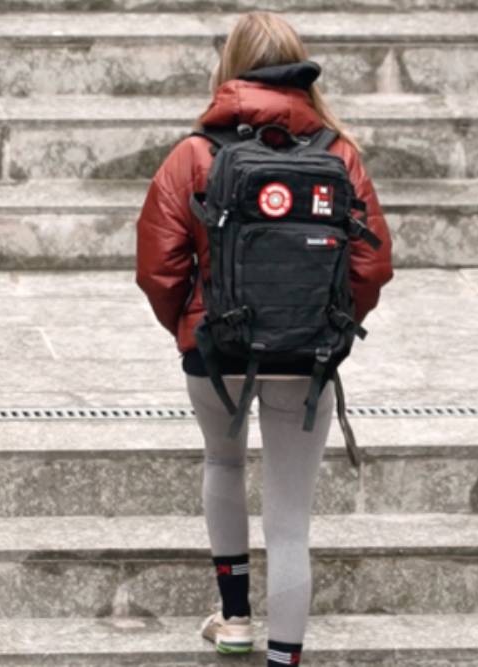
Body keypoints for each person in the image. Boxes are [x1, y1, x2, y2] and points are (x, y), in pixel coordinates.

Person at [135, 11, 392, 666]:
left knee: (222, 464)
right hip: (307, 356)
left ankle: (236, 618)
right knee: (289, 521)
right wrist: (325, 325)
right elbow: (372, 264)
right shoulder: (339, 154)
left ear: (231, 70)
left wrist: (191, 325)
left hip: (215, 352)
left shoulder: (195, 154)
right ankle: (285, 657)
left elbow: (158, 267)